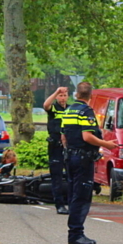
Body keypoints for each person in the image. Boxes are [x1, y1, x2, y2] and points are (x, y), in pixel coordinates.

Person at [60, 81, 117, 244]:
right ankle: (76, 234)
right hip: (83, 159)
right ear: (90, 96)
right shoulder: (86, 112)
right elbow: (87, 136)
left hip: (70, 157)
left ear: (76, 94)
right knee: (82, 195)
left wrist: (69, 151)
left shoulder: (68, 111)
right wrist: (106, 144)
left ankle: (74, 232)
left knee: (73, 193)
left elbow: (63, 137)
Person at [43, 86, 71, 215]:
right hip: (55, 146)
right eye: (60, 96)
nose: (63, 98)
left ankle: (71, 203)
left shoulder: (70, 109)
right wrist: (56, 92)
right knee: (57, 176)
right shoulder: (53, 108)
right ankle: (59, 205)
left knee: (71, 175)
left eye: (64, 95)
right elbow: (46, 105)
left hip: (69, 146)